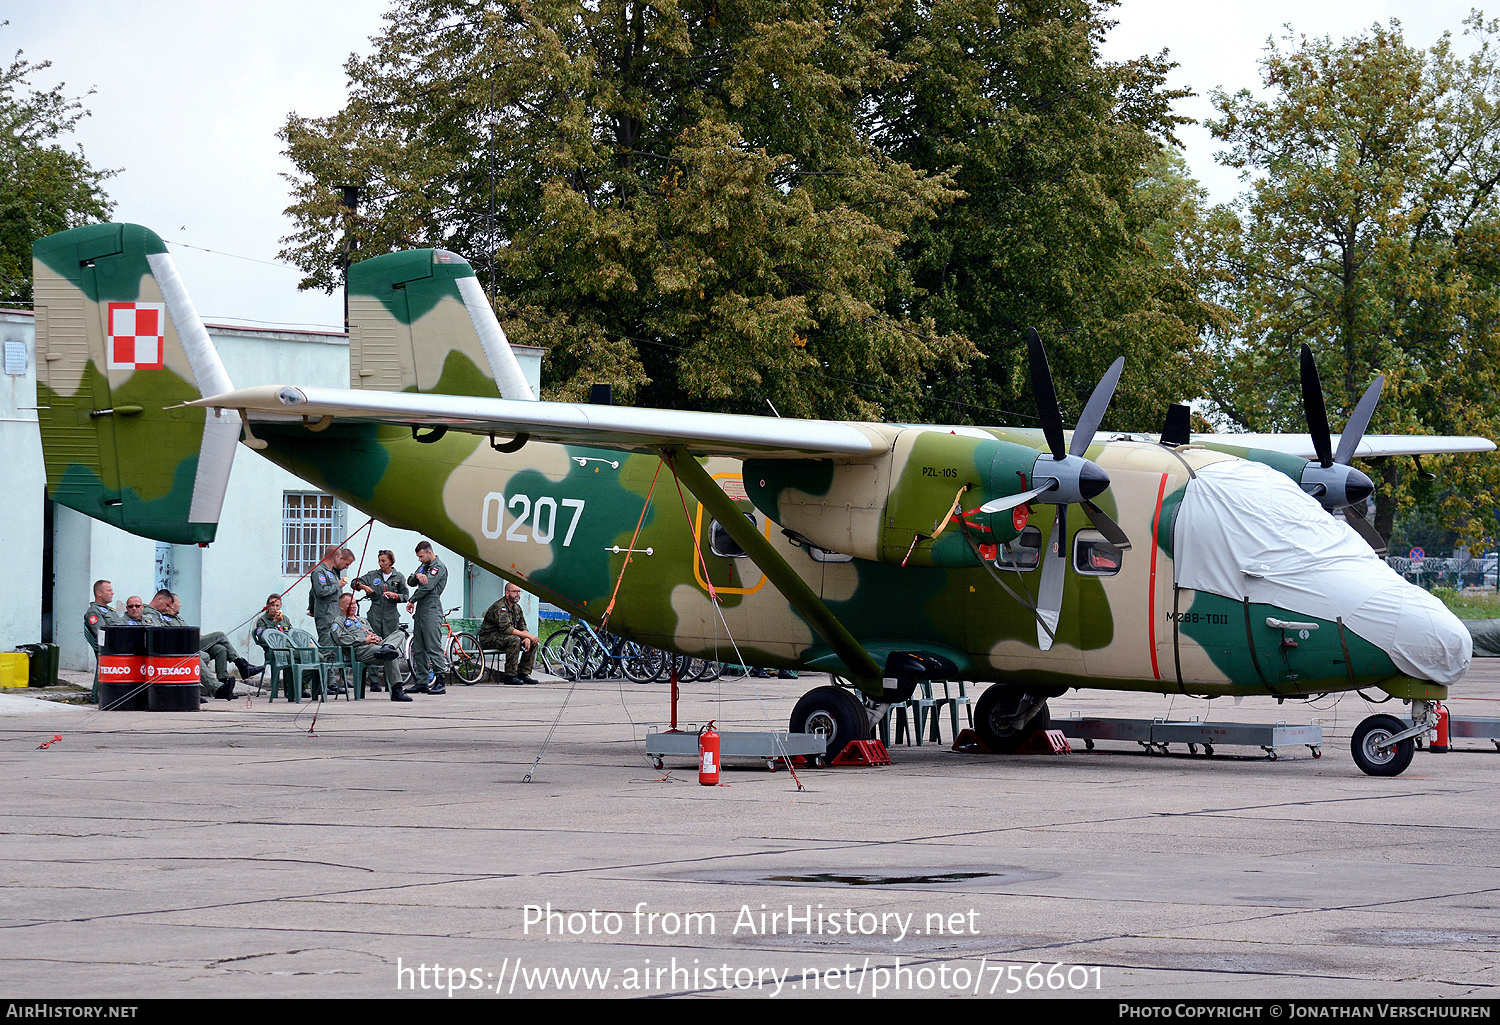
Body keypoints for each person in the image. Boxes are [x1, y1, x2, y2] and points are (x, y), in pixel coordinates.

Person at [151, 591, 263, 699]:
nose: (180, 605)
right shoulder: (163, 618)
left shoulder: (178, 618)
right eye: (178, 602)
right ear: (171, 605)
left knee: (221, 649)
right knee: (219, 635)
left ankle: (223, 685)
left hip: (193, 641)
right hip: (185, 644)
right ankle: (242, 665)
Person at [332, 594, 409, 702]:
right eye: (350, 604)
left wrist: (376, 639)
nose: (354, 606)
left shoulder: (362, 620)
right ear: (341, 607)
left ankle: (387, 646)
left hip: (375, 647)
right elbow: (340, 640)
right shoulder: (339, 622)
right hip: (359, 650)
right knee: (390, 654)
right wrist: (364, 641)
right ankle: (397, 689)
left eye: (354, 603)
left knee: (399, 633)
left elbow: (372, 633)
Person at [405, 540, 448, 694]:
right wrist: (417, 575)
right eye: (418, 557)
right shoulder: (424, 567)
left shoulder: (438, 567)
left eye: (421, 556)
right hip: (421, 610)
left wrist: (412, 600)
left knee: (433, 646)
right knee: (419, 647)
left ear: (430, 553)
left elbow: (428, 586)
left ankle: (440, 680)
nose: (420, 559)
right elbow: (410, 582)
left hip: (431, 609)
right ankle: (422, 681)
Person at [479, 582, 539, 685]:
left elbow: (522, 626)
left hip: (504, 638)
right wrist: (528, 636)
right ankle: (510, 676)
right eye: (514, 591)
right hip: (490, 638)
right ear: (507, 593)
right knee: (515, 640)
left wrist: (528, 638)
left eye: (519, 592)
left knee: (533, 642)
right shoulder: (500, 606)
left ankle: (523, 673)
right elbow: (506, 629)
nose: (517, 594)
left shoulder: (517, 608)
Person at [84, 579, 124, 698]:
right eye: (109, 590)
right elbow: (101, 634)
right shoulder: (94, 611)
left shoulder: (110, 610)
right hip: (111, 649)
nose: (112, 593)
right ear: (99, 593)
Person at [355, 550, 407, 637]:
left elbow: (405, 596)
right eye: (379, 560)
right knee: (374, 640)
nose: (380, 563)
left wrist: (395, 595)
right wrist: (363, 587)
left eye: (383, 561)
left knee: (390, 642)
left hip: (391, 616)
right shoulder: (373, 575)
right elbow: (355, 582)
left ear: (390, 562)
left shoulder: (399, 577)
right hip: (375, 615)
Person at [310, 546, 352, 646]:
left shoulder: (332, 572)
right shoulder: (319, 571)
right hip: (326, 613)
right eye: (340, 557)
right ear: (336, 557)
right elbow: (320, 591)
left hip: (334, 612)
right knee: (327, 643)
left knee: (335, 643)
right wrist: (338, 585)